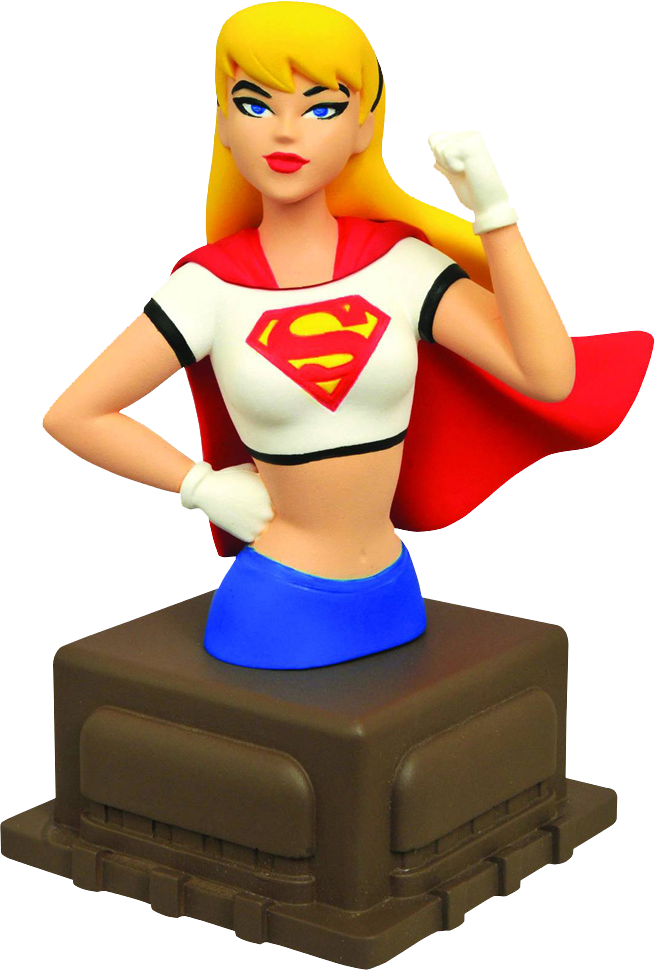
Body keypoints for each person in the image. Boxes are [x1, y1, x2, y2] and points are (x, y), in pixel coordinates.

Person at [40, 1, 651, 669]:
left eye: (322, 107)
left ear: (364, 128)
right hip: (273, 599)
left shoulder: (399, 265)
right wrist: (199, 486)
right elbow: (75, 414)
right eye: (254, 104)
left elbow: (547, 376)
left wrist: (494, 213)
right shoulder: (210, 288)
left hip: (393, 586)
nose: (285, 132)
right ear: (222, 123)